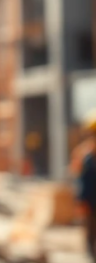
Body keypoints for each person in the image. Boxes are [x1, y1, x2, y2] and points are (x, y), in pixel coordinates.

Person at [78, 109, 96, 259]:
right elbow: (83, 181)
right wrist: (82, 201)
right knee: (90, 232)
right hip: (91, 203)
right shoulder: (87, 158)